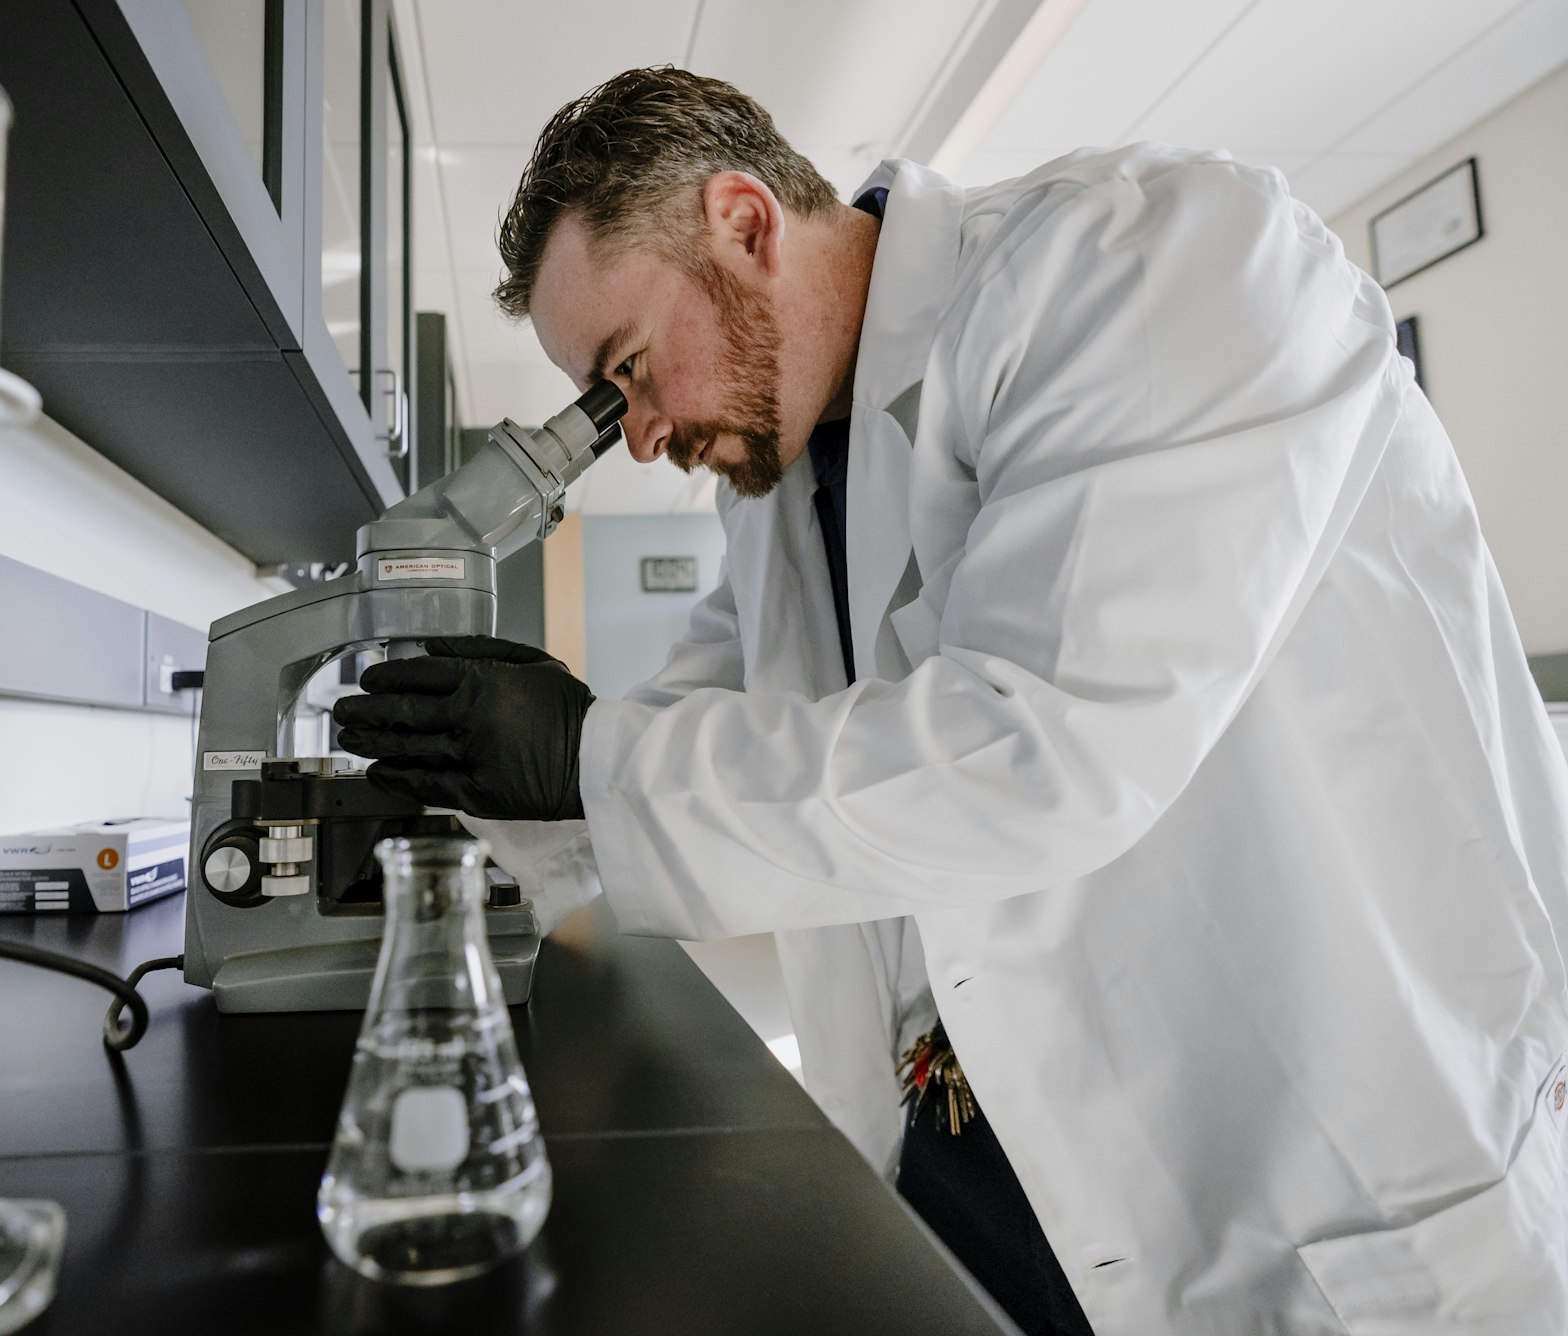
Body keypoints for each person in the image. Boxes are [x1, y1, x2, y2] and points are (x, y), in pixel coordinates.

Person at [331, 67, 1568, 1334]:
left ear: (746, 224)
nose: (635, 436)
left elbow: (1045, 744)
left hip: (1306, 1195)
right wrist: (467, 784)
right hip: (986, 1168)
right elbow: (692, 734)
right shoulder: (782, 493)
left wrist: (585, 756)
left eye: (627, 373)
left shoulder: (1139, 258)